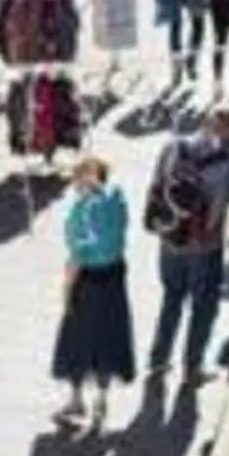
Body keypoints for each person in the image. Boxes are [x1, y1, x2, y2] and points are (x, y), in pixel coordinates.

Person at [144, 105, 229, 390]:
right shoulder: (224, 162)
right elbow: (221, 205)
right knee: (203, 308)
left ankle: (158, 361)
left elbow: (156, 185)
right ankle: (192, 368)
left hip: (170, 241)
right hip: (204, 248)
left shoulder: (173, 147)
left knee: (171, 300)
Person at [50, 157, 135, 435]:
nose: (74, 185)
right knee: (109, 338)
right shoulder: (117, 200)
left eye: (77, 179)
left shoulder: (83, 211)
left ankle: (76, 401)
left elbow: (77, 256)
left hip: (88, 281)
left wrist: (66, 291)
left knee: (77, 341)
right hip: (115, 278)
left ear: (86, 178)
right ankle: (101, 399)